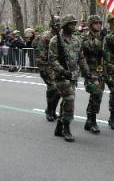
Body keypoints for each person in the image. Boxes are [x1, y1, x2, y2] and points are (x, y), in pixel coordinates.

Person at [49, 14, 85, 142]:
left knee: (65, 101)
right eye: (71, 24)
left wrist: (86, 72)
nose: (73, 26)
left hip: (73, 76)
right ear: (64, 26)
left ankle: (59, 126)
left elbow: (81, 57)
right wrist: (63, 71)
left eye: (74, 24)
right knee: (69, 99)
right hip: (61, 77)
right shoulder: (55, 41)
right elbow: (52, 60)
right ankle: (66, 128)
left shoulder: (76, 40)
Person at [32, 17, 61, 122]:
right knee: (53, 87)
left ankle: (52, 110)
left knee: (60, 90)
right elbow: (41, 54)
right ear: (52, 25)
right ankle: (49, 110)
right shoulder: (46, 37)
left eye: (59, 25)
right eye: (56, 25)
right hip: (45, 65)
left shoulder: (59, 36)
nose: (58, 27)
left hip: (55, 66)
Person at [81, 15, 105, 134]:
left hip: (100, 70)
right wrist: (101, 38)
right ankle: (92, 121)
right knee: (96, 93)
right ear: (90, 25)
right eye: (96, 23)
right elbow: (91, 48)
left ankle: (89, 121)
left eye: (100, 23)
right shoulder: (85, 37)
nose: (99, 25)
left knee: (97, 96)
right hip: (90, 70)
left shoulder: (101, 37)